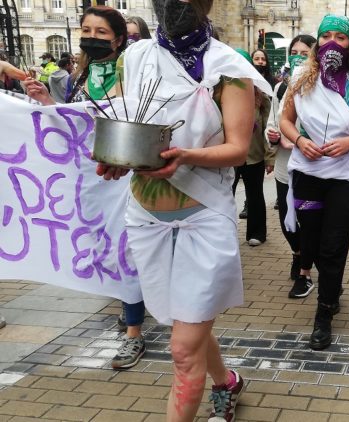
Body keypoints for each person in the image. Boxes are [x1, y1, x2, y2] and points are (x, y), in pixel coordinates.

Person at [95, 1, 270, 420]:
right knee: (186, 324)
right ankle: (227, 383)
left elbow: (238, 148)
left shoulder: (229, 67)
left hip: (202, 218)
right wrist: (117, 157)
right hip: (145, 218)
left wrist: (186, 156)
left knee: (182, 349)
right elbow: (127, 124)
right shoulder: (135, 57)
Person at [22, 7, 152, 372]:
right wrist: (46, 102)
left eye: (101, 32)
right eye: (86, 30)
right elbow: (72, 123)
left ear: (119, 39)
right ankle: (131, 301)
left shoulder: (132, 74)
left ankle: (134, 331)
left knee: (125, 247)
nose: (91, 37)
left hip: (124, 174)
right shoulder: (80, 76)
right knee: (105, 247)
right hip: (90, 178)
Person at [279, 14, 349, 350]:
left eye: (341, 37)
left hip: (345, 179)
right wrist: (299, 140)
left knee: (333, 246)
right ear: (317, 41)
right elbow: (286, 120)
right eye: (326, 36)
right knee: (310, 242)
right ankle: (331, 287)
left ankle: (323, 314)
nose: (332, 42)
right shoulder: (300, 79)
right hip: (307, 175)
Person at [266, 34, 317, 297]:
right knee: (286, 220)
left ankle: (305, 268)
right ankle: (297, 253)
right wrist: (273, 136)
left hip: (310, 167)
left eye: (304, 53)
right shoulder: (280, 88)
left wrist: (298, 140)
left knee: (308, 221)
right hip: (285, 168)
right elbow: (272, 123)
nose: (297, 57)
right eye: (294, 53)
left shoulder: (320, 87)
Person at [232, 48, 274, 245]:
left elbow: (268, 128)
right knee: (225, 195)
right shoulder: (218, 93)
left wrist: (270, 157)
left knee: (255, 193)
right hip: (227, 156)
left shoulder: (260, 96)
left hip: (253, 154)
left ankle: (257, 233)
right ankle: (225, 233)